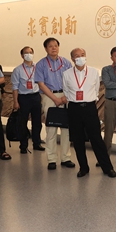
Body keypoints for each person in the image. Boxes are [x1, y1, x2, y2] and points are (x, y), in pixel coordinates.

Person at [63, 48, 115, 178]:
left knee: (96, 138)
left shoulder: (93, 72)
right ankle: (83, 168)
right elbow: (66, 91)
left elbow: (96, 89)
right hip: (74, 108)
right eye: (77, 55)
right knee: (78, 139)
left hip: (90, 108)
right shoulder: (67, 74)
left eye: (82, 55)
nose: (80, 57)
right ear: (72, 59)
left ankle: (107, 167)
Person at [34, 37, 75, 171]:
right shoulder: (41, 64)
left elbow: (72, 80)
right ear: (46, 48)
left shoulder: (66, 62)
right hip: (49, 96)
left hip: (65, 96)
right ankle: (51, 159)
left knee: (66, 129)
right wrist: (55, 99)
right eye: (50, 46)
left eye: (56, 45)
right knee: (51, 129)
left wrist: (66, 96)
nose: (54, 48)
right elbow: (41, 84)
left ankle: (66, 158)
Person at [11, 46, 43, 154]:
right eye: (26, 53)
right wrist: (16, 102)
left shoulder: (38, 67)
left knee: (37, 122)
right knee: (22, 122)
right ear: (22, 55)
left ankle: (37, 143)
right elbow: (15, 87)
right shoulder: (17, 70)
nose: (29, 54)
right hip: (23, 98)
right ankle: (23, 145)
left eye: (30, 52)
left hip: (36, 96)